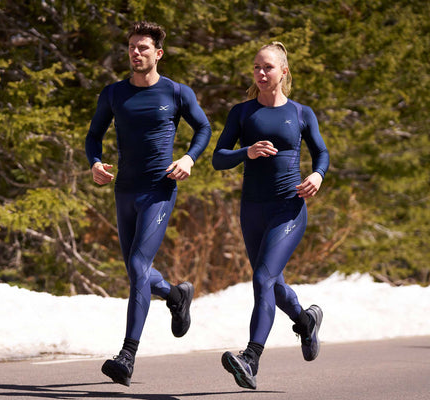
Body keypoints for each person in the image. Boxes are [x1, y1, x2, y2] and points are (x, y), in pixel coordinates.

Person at [85, 21, 211, 387]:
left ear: (158, 53)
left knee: (139, 265)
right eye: (131, 47)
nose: (135, 53)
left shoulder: (176, 92)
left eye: (143, 47)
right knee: (134, 270)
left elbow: (202, 128)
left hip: (159, 189)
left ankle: (127, 355)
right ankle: (176, 294)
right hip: (124, 190)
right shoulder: (113, 94)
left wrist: (188, 158)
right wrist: (95, 163)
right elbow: (93, 136)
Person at [212, 42, 329, 390]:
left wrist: (317, 176)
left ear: (284, 72)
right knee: (273, 285)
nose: (261, 74)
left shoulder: (301, 113)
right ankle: (306, 320)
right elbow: (218, 157)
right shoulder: (242, 113)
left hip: (288, 208)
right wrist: (246, 151)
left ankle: (251, 357)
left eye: (268, 68)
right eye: (257, 68)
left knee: (262, 279)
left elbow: (320, 152)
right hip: (252, 209)